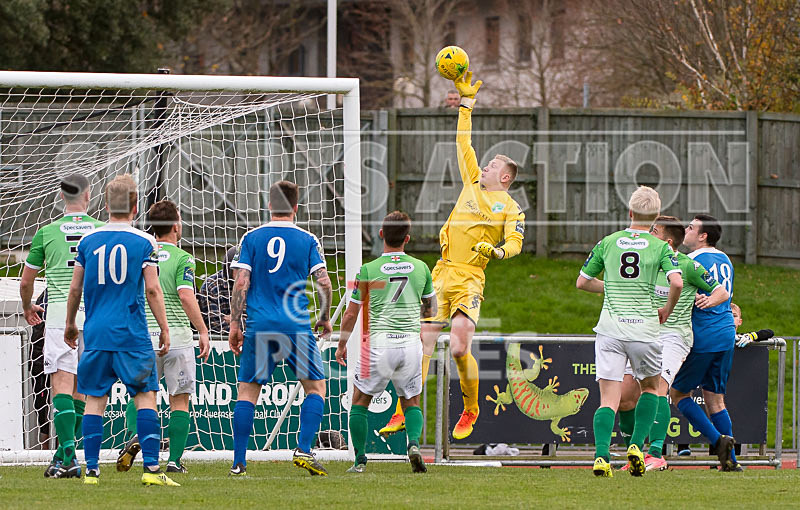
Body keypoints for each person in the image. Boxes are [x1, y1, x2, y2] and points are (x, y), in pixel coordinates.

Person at [379, 71, 525, 441]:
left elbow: (515, 244)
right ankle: (401, 409)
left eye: (493, 165)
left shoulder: (511, 208)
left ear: (505, 178)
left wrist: (495, 250)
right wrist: (466, 104)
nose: (486, 166)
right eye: (487, 163)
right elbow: (464, 141)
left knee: (460, 346)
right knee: (422, 342)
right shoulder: (471, 182)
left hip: (471, 277)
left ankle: (471, 408)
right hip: (443, 272)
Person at [65, 174, 178, 487]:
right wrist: (165, 327)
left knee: (94, 398)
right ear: (135, 205)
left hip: (97, 331)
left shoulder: (87, 241)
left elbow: (75, 289)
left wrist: (70, 323)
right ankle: (152, 470)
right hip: (131, 332)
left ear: (105, 204)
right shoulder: (145, 241)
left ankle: (91, 471)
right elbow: (153, 290)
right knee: (146, 395)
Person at [576, 186, 683, 477]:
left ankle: (601, 457)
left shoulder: (608, 242)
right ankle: (636, 446)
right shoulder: (661, 246)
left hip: (610, 329)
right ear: (654, 219)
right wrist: (667, 311)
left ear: (630, 212)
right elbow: (676, 283)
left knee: (608, 399)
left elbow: (582, 282)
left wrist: (610, 288)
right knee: (650, 388)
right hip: (645, 330)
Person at [228, 180, 333, 477]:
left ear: (270, 205)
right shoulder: (308, 239)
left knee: (248, 392)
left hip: (260, 325)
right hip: (296, 325)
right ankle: (303, 448)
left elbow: (241, 283)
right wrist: (324, 317)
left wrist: (235, 323)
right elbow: (324, 282)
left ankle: (238, 462)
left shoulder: (251, 237)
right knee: (315, 388)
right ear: (296, 207)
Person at [617, 216, 728, 472]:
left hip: (673, 336)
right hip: (642, 333)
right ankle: (633, 454)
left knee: (657, 390)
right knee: (624, 397)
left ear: (667, 241)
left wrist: (710, 301)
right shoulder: (644, 262)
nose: (648, 235)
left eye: (653, 232)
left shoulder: (688, 265)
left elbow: (721, 291)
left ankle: (656, 454)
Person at [335, 211, 437, 474]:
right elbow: (431, 309)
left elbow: (351, 313)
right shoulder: (421, 268)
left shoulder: (369, 270)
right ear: (408, 238)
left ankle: (359, 460)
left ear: (381, 234)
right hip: (410, 344)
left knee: (359, 402)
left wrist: (342, 344)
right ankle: (413, 444)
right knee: (411, 401)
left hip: (379, 344)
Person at [19, 173, 104, 478]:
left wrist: (28, 306)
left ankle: (66, 458)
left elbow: (27, 280)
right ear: (88, 195)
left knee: (62, 387)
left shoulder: (47, 232)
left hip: (59, 317)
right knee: (81, 390)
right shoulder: (101, 231)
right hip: (94, 318)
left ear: (61, 197)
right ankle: (65, 455)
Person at [117, 200, 211, 474]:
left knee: (142, 395)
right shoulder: (183, 258)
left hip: (144, 335)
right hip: (177, 336)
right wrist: (203, 330)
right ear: (175, 225)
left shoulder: (142, 253)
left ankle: (138, 437)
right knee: (179, 399)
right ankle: (174, 461)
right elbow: (185, 294)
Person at [670, 214, 739, 471]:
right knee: (716, 400)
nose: (685, 231)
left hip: (705, 335)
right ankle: (730, 461)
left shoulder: (693, 260)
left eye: (690, 227)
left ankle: (718, 442)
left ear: (703, 236)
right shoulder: (725, 259)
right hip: (725, 333)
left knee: (678, 393)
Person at [198, 247, 238, 336]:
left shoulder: (255, 283)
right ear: (228, 268)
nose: (243, 273)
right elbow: (215, 325)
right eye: (238, 269)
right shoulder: (211, 286)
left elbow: (260, 321)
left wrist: (234, 320)